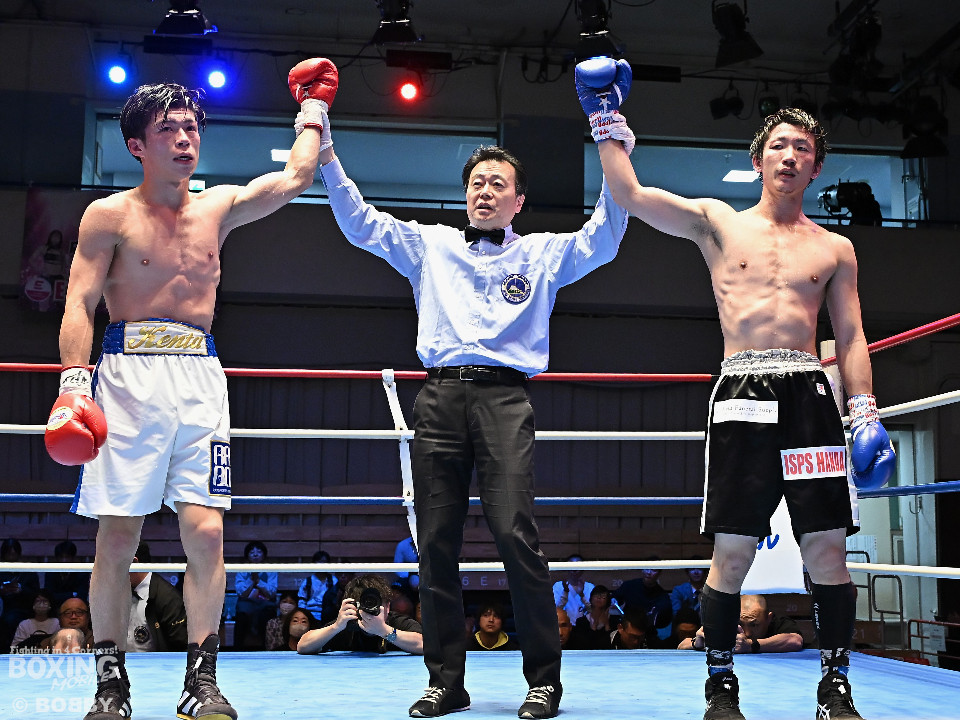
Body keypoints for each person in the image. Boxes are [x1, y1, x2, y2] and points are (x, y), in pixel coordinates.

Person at [575, 57, 897, 720]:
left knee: (827, 546)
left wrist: (864, 410)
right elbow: (631, 194)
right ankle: (721, 686)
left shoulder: (835, 249)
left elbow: (851, 335)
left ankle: (835, 688)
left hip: (809, 394)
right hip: (742, 391)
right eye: (779, 145)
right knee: (733, 549)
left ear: (816, 168)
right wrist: (605, 121)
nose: (790, 155)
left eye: (802, 148)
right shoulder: (719, 221)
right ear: (758, 160)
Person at [317, 92, 627, 720]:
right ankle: (446, 682)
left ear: (519, 200)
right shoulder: (430, 244)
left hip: (506, 397)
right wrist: (324, 150)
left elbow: (606, 235)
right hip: (439, 396)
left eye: (497, 184)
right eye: (477, 183)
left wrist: (612, 142)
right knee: (435, 543)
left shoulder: (542, 253)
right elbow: (359, 223)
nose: (484, 192)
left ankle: (544, 682)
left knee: (516, 535)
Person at [43, 57, 336, 720]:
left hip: (200, 377)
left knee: (205, 532)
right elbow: (79, 302)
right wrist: (73, 385)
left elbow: (296, 178)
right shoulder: (108, 216)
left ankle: (201, 682)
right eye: (168, 129)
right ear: (136, 145)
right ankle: (110, 684)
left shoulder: (218, 207)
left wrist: (312, 109)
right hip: (125, 377)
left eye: (191, 127)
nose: (184, 138)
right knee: (118, 536)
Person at [297, 574, 423, 655]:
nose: (369, 611)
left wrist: (385, 631)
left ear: (388, 607)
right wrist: (335, 627)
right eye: (365, 605)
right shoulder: (344, 625)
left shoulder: (397, 622)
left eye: (375, 604)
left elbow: (424, 645)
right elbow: (303, 646)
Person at [679, 594, 804, 654]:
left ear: (768, 618)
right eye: (740, 624)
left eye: (754, 625)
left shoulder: (778, 623)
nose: (747, 632)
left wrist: (751, 645)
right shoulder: (726, 623)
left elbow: (795, 641)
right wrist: (698, 643)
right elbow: (682, 645)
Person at [127, 542, 188, 652]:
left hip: (157, 663)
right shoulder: (115, 592)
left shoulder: (169, 598)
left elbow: (181, 648)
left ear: (134, 563)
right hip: (119, 661)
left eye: (117, 563)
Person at [611, 560, 673, 645]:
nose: (649, 572)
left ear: (659, 573)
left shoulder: (662, 597)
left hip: (647, 632)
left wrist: (652, 618)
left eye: (653, 570)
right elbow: (616, 596)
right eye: (646, 568)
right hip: (627, 627)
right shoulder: (630, 585)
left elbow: (664, 621)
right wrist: (614, 599)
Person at [234, 540, 278, 650]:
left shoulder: (271, 570)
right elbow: (241, 593)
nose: (255, 554)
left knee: (267, 615)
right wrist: (251, 580)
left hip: (265, 604)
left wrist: (259, 581)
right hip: (246, 603)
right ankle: (237, 650)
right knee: (241, 615)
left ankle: (267, 650)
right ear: (247, 555)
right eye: (251, 552)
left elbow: (272, 593)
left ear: (264, 555)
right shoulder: (241, 570)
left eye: (259, 551)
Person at [0, 538, 41, 652]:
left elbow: (36, 594)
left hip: (25, 608)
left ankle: (11, 650)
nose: (11, 557)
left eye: (13, 553)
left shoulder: (27, 571)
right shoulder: (1, 569)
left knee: (10, 619)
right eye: (8, 554)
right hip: (5, 608)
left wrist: (21, 590)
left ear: (18, 554)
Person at [17, 597, 95, 653]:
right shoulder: (45, 644)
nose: (73, 617)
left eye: (79, 612)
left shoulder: (97, 641)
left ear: (88, 617)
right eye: (67, 613)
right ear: (59, 619)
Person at [570, 584, 619, 650]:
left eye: (603, 596)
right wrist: (593, 628)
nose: (599, 598)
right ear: (590, 599)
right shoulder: (581, 622)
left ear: (608, 601)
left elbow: (614, 646)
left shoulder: (615, 621)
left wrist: (607, 626)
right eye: (596, 595)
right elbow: (581, 646)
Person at [298, 549, 339, 624]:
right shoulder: (307, 581)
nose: (322, 564)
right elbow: (302, 601)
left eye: (324, 562)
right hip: (310, 614)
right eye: (319, 561)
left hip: (329, 614)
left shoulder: (334, 580)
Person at [45, 539, 91, 607]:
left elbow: (82, 596)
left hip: (76, 607)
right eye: (61, 557)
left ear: (73, 558)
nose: (64, 560)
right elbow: (50, 596)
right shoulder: (50, 572)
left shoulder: (82, 572)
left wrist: (60, 596)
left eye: (67, 557)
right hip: (55, 608)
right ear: (56, 558)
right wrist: (72, 594)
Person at [552, 554, 594, 624]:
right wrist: (565, 592)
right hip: (564, 626)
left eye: (578, 566)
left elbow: (594, 611)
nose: (574, 569)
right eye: (571, 565)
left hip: (584, 627)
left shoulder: (590, 587)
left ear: (583, 569)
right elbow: (555, 611)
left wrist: (582, 595)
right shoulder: (558, 586)